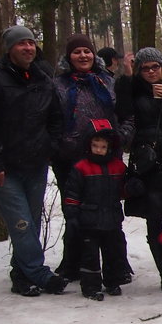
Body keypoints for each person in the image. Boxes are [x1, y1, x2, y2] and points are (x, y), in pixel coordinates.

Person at [0, 26, 67, 297]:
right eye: (21, 44)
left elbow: (55, 118)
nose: (28, 48)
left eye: (31, 43)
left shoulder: (42, 78)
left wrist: (50, 146)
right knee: (21, 223)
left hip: (36, 163)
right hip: (6, 166)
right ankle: (38, 273)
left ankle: (20, 275)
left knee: (32, 222)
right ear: (9, 48)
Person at [53, 34, 123, 284]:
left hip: (106, 157)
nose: (83, 56)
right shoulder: (58, 84)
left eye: (87, 51)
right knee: (75, 212)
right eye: (77, 52)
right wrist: (60, 145)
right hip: (70, 159)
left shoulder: (107, 82)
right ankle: (73, 263)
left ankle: (116, 265)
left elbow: (123, 114)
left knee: (107, 211)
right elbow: (52, 119)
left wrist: (122, 135)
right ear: (68, 57)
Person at [120, 47, 162, 292]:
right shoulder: (133, 89)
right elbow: (124, 114)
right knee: (153, 221)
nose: (150, 72)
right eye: (145, 68)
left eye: (154, 67)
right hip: (147, 164)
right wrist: (126, 77)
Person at [61, 121, 127, 301]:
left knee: (113, 252)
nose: (99, 150)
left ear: (110, 147)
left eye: (103, 146)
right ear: (88, 145)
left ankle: (113, 282)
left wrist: (133, 187)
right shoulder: (81, 167)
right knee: (89, 255)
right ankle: (91, 286)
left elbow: (123, 190)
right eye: (95, 146)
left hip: (112, 219)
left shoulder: (118, 167)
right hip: (88, 220)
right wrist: (72, 215)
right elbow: (72, 193)